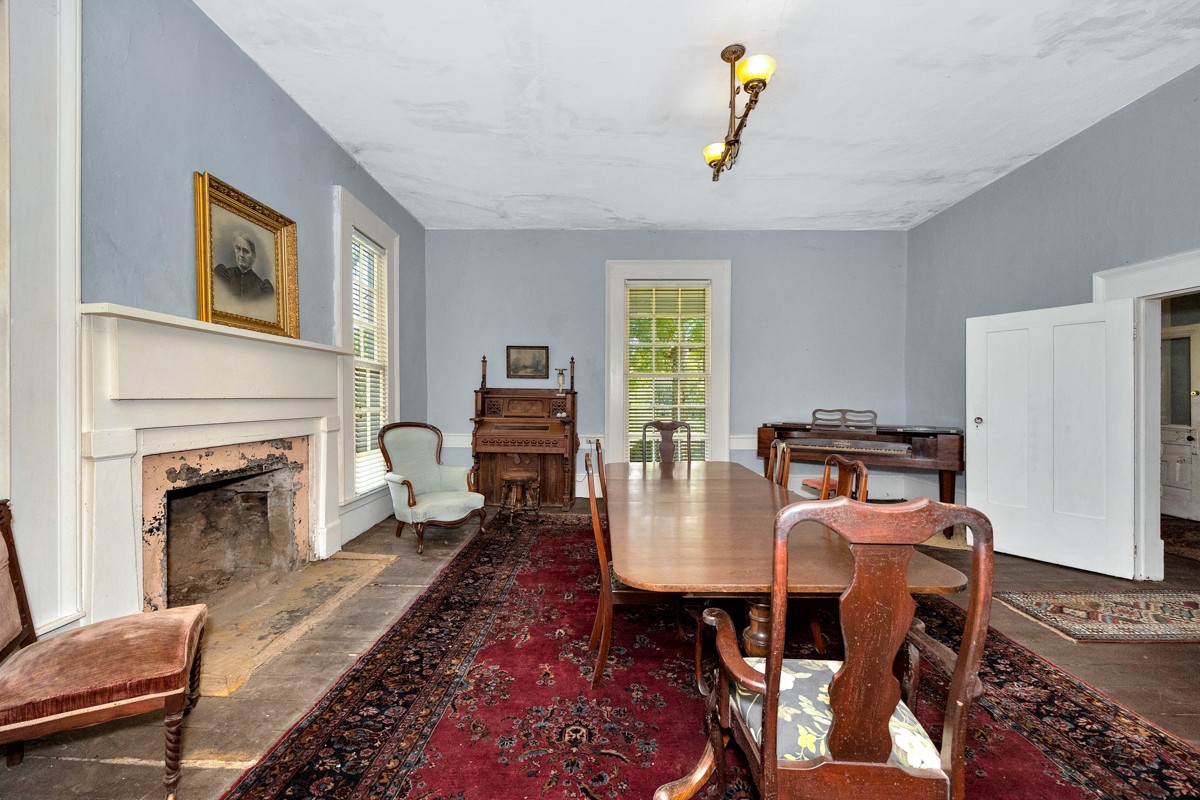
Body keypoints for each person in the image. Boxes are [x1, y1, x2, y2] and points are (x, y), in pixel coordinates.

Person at [214, 232, 274, 296]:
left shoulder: (262, 286)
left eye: (245, 251)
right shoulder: (223, 274)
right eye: (238, 249)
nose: (241, 254)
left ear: (254, 256)